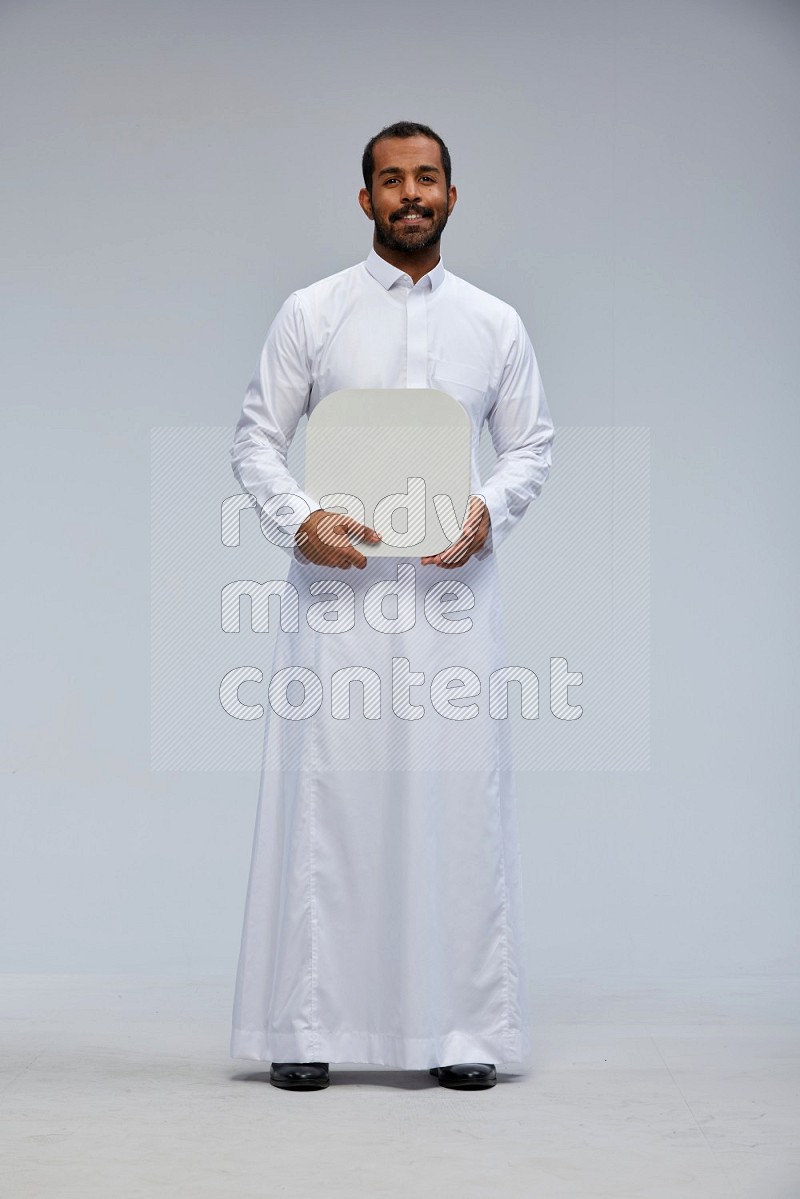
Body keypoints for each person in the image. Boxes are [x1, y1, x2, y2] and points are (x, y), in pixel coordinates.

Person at [229, 121, 554, 1092]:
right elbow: (254, 435)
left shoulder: (493, 323)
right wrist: (297, 520)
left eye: (426, 178)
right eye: (389, 179)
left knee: (457, 799)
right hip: (339, 598)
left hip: (452, 598)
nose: (409, 192)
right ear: (364, 199)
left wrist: (488, 510)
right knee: (330, 793)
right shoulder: (313, 312)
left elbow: (531, 444)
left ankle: (460, 1029)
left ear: (452, 194)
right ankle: (305, 1022)